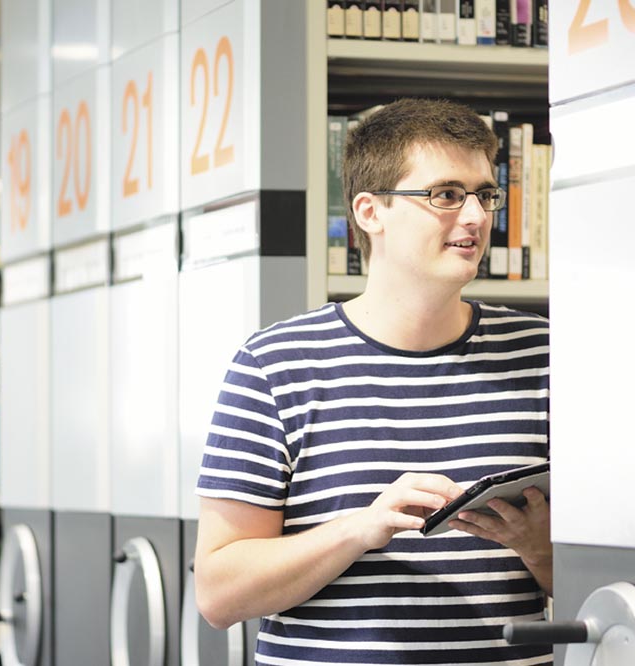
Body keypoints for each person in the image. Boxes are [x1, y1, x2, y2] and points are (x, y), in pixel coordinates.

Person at [194, 97, 552, 665]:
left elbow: (614, 584)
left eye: (485, 194)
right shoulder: (274, 365)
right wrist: (359, 529)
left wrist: (540, 548)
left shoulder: (543, 355)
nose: (478, 217)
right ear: (369, 211)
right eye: (446, 195)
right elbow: (218, 595)